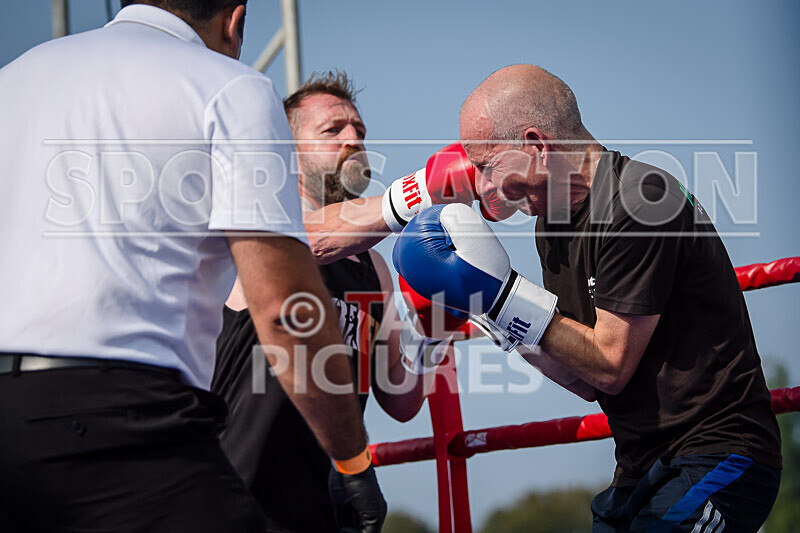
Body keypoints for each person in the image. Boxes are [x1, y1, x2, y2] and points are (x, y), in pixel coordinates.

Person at [0, 2, 382, 531]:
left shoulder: (14, 76)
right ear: (235, 21)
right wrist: (353, 464)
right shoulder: (232, 86)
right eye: (333, 129)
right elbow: (284, 308)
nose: (351, 139)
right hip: (127, 416)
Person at [393, 64, 782, 532]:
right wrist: (491, 313)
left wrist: (503, 298)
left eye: (486, 165)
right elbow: (587, 380)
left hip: (720, 454)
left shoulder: (641, 201)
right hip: (639, 468)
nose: (483, 188)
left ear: (536, 146)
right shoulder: (551, 227)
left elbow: (610, 365)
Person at [213, 71, 466, 532]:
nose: (353, 139)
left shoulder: (374, 267)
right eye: (333, 130)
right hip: (238, 491)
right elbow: (313, 237)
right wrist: (425, 189)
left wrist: (440, 325)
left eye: (360, 130)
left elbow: (400, 398)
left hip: (329, 499)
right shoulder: (260, 226)